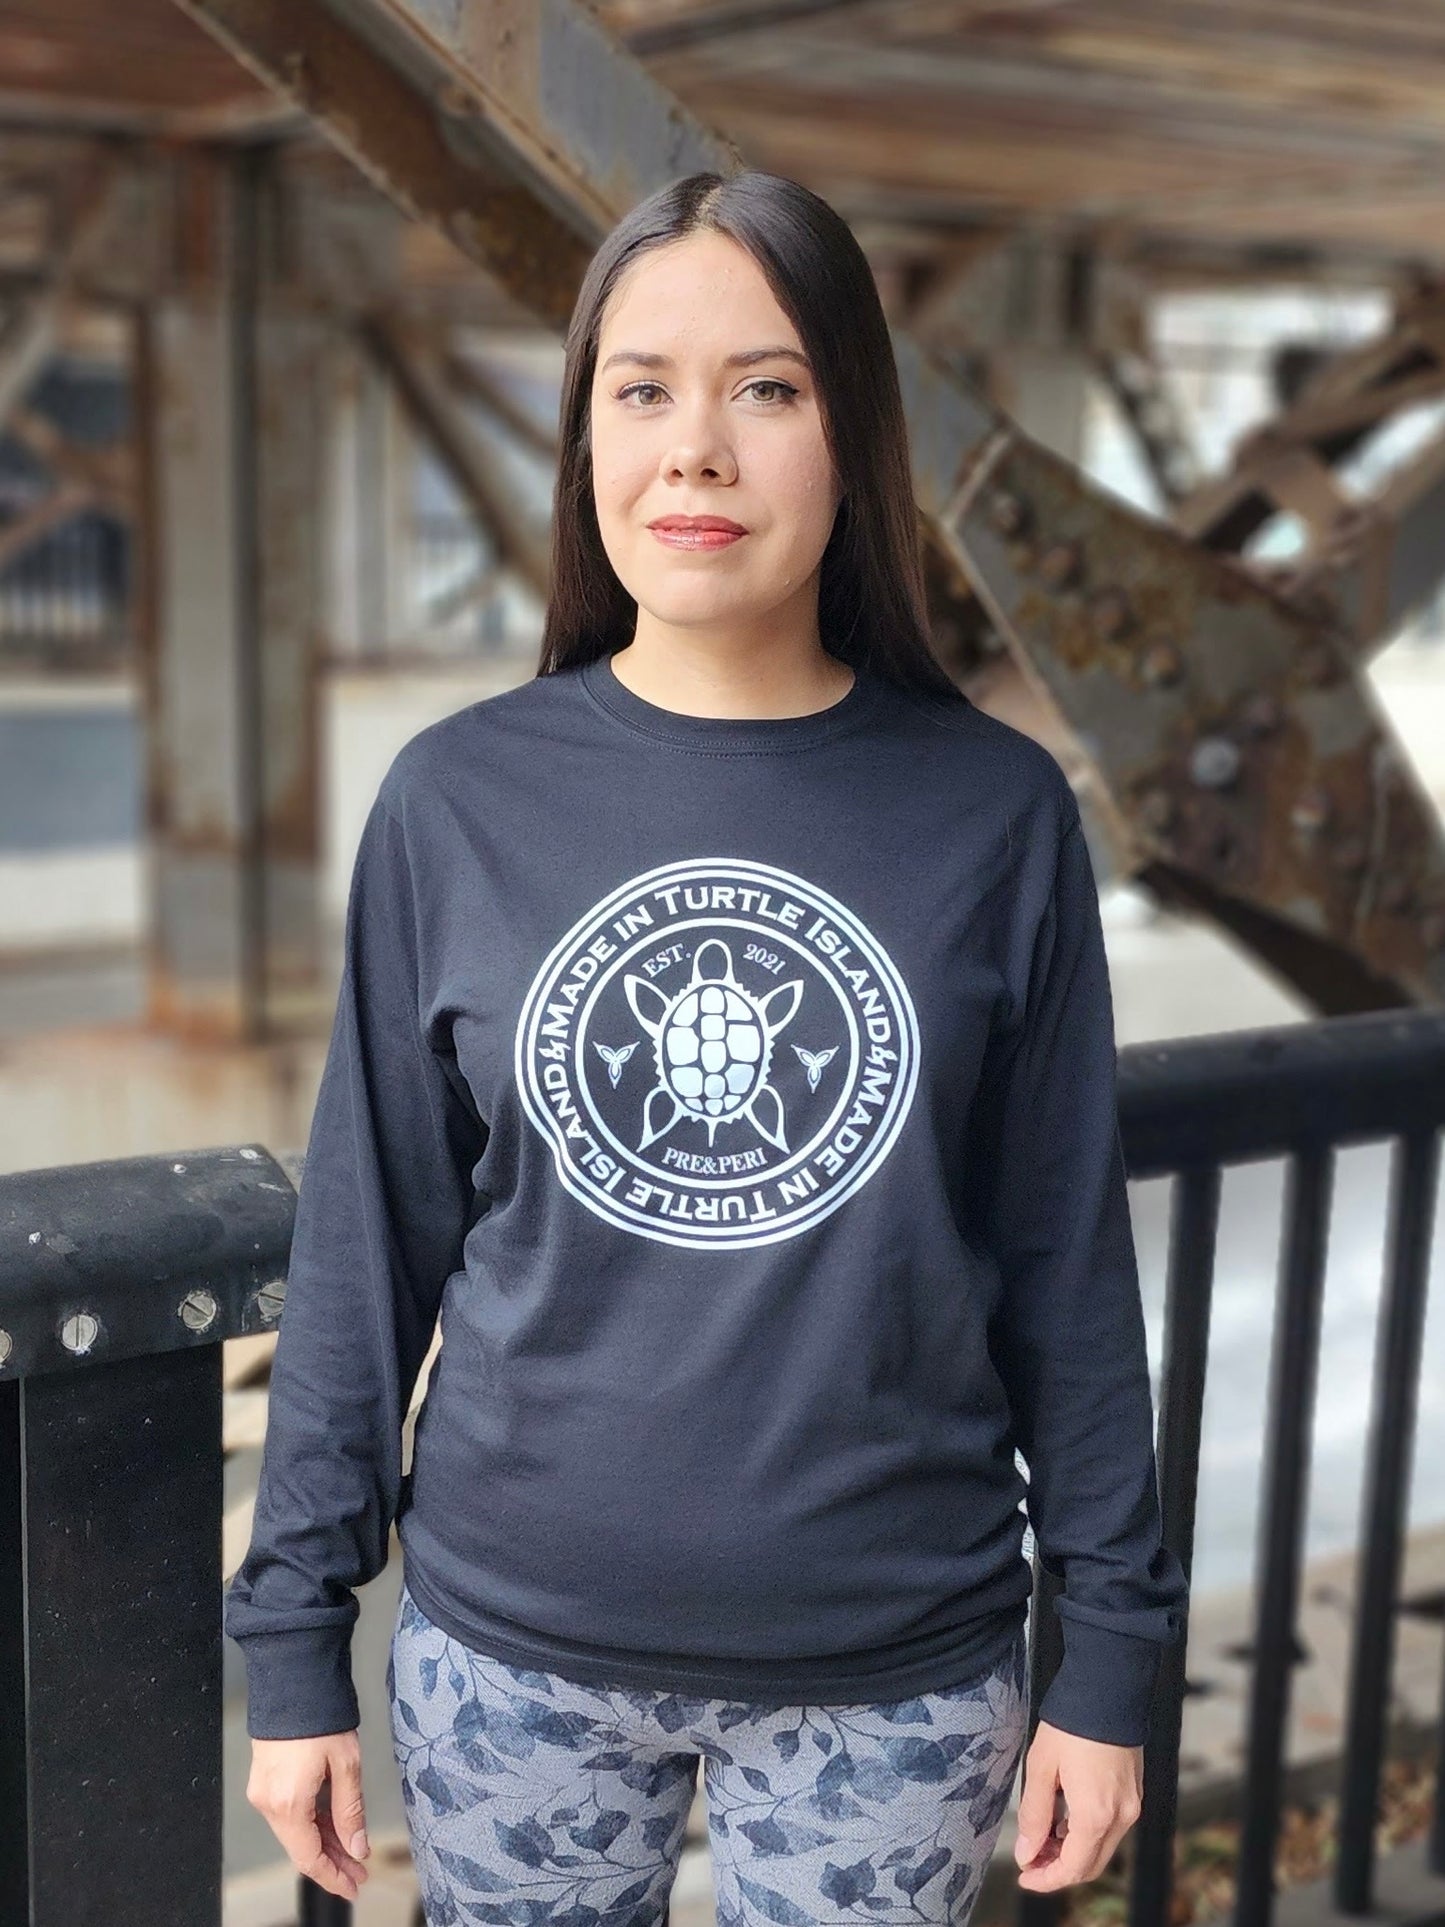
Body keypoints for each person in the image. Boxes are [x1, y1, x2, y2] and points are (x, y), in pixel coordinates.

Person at [226, 167, 1189, 1925]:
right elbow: (369, 1244)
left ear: (853, 433)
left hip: (894, 1667)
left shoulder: (993, 814)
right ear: (586, 433)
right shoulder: (459, 799)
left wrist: (1110, 1648)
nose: (696, 450)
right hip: (513, 1654)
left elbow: (1065, 1263)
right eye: (640, 387)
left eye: (767, 387)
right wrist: (292, 1637)